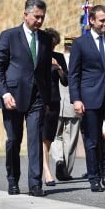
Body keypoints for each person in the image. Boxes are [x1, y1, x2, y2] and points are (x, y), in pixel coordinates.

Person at [0, 0, 52, 196]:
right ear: (25, 14)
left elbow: (45, 72)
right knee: (13, 140)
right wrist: (5, 93)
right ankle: (13, 180)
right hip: (13, 97)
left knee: (35, 139)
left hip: (37, 98)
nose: (39, 21)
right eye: (36, 16)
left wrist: (47, 100)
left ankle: (35, 184)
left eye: (42, 17)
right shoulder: (9, 36)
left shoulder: (45, 39)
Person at [68, 5, 105, 192]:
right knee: (92, 139)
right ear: (91, 20)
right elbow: (73, 74)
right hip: (89, 95)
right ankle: (94, 178)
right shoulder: (80, 43)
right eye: (102, 20)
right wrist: (76, 99)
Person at [51, 36, 81, 181]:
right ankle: (66, 170)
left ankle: (58, 160)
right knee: (71, 138)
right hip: (72, 102)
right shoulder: (78, 60)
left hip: (56, 101)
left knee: (56, 135)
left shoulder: (56, 58)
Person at [42, 28, 68, 186]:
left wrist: (58, 67)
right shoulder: (38, 57)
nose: (51, 48)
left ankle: (42, 166)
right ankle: (46, 171)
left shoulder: (58, 57)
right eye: (49, 45)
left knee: (49, 139)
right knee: (42, 137)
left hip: (54, 101)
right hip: (40, 101)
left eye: (53, 45)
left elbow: (66, 81)